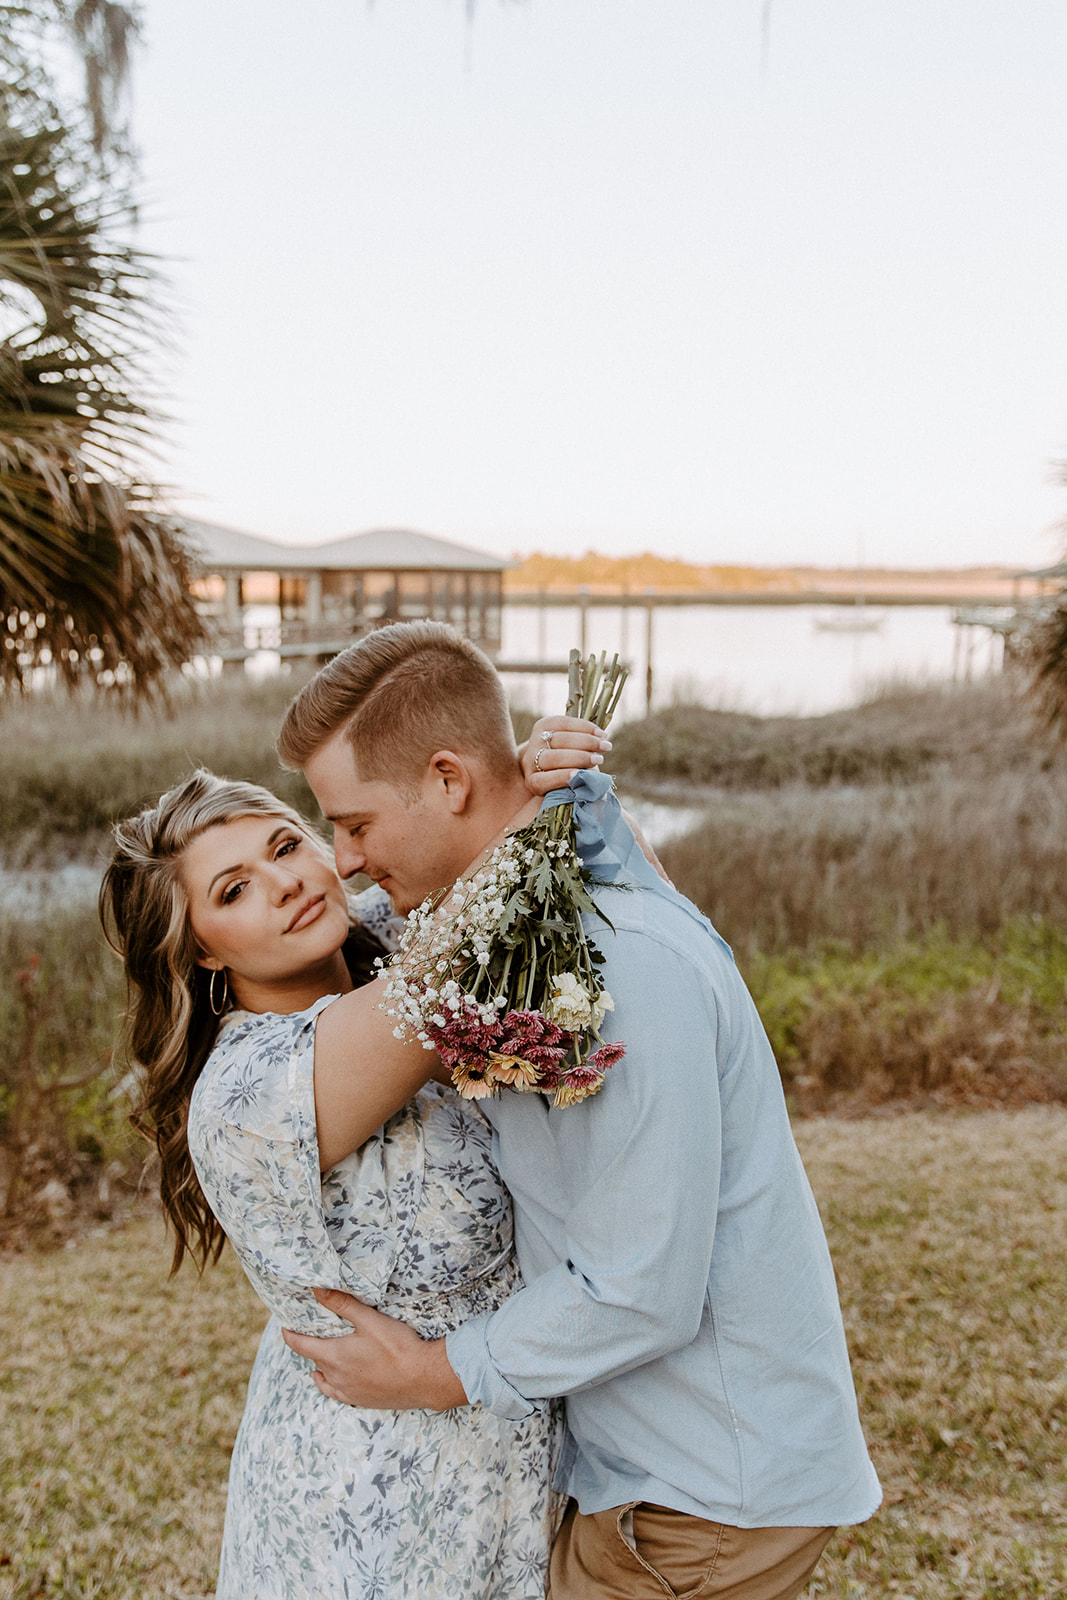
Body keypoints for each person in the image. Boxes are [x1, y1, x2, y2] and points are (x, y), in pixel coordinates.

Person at [274, 619, 882, 1600]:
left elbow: (641, 1284)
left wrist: (433, 1374)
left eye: (353, 824)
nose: (341, 859)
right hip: (665, 1473)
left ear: (445, 779)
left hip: (697, 1498)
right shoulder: (555, 890)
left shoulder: (612, 964)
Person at [98, 717, 603, 1600]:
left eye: (287, 843)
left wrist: (495, 780)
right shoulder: (250, 1092)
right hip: (368, 1494)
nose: (288, 882)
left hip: (503, 1454)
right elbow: (460, 941)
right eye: (235, 890)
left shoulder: (382, 943)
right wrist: (515, 808)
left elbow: (458, 869)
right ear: (203, 952)